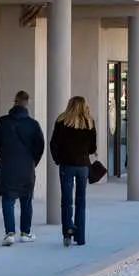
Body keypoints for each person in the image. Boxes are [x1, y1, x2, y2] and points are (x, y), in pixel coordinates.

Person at [0, 91, 45, 246]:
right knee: (26, 200)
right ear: (28, 103)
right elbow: (40, 146)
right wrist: (33, 162)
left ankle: (9, 233)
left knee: (8, 199)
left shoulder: (2, 122)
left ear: (14, 102)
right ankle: (25, 232)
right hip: (26, 168)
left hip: (7, 167)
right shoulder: (33, 124)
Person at [50, 96, 97, 247]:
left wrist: (58, 159)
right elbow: (93, 148)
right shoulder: (89, 122)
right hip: (83, 165)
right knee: (81, 201)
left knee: (66, 201)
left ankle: (68, 231)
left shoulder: (61, 121)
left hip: (66, 165)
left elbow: (53, 143)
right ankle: (81, 237)